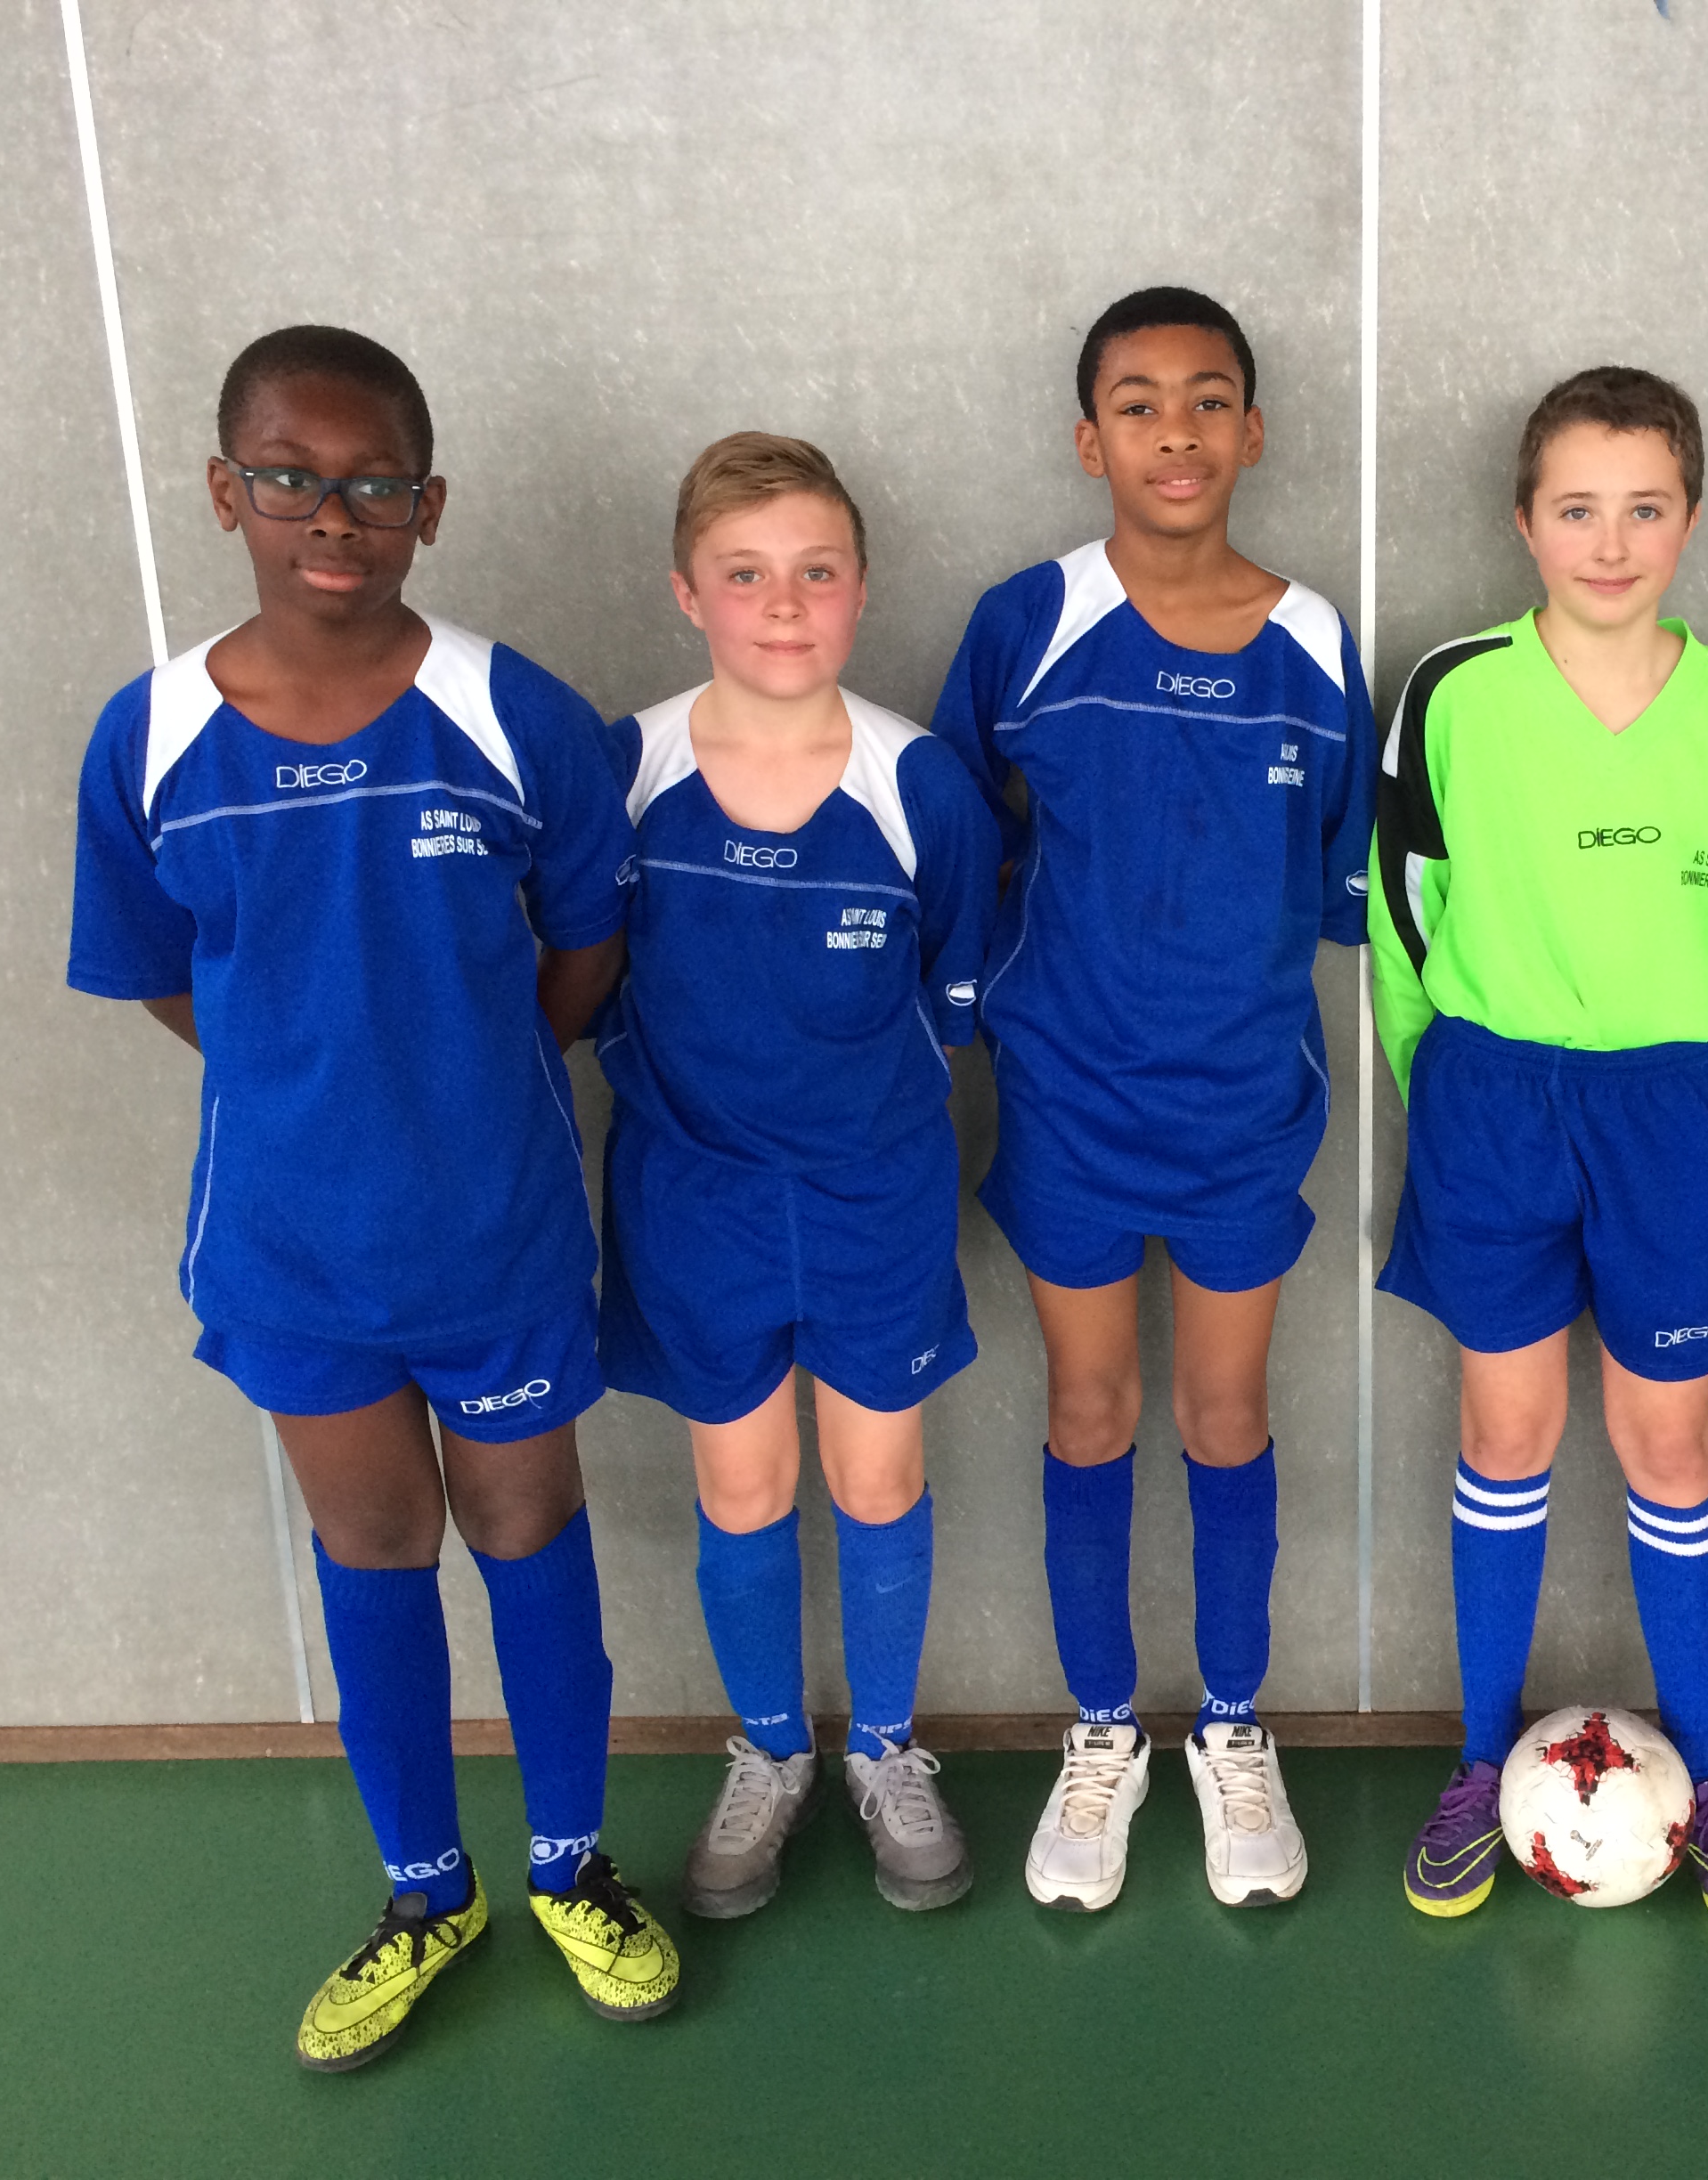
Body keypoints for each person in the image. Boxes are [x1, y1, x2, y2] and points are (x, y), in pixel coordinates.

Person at [67, 326, 673, 2071]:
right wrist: (312, 1072)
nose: (331, 514)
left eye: (373, 484)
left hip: (495, 1235)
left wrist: (450, 1072)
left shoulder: (512, 711)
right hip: (292, 1251)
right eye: (289, 477)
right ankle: (426, 1893)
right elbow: (170, 980)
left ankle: (569, 1866)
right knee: (376, 1548)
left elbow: (583, 953)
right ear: (224, 491)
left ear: (429, 504)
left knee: (526, 1531)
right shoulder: (152, 736)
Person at [931, 288, 1374, 1911]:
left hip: (1244, 1103)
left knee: (1227, 1417)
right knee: (1090, 1411)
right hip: (1069, 1100)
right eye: (1138, 403)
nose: (1174, 432)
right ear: (1089, 438)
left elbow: (1337, 872)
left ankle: (1235, 1730)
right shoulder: (1026, 622)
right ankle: (1104, 1730)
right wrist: (997, 1004)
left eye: (1206, 401)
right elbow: (958, 831)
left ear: (1253, 431)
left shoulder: (1316, 640)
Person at [1370, 366, 1708, 1937]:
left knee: (1669, 1445)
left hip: (1667, 1112)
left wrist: (1704, 1088)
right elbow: (1403, 913)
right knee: (1508, 1435)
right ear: (1523, 521)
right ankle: (1481, 1765)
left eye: (1644, 508)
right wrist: (1449, 1081)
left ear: (1690, 519)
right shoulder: (1455, 692)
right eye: (1576, 508)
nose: (1609, 542)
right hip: (1492, 1101)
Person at [595, 433, 997, 1919]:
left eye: (816, 572)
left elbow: (953, 990)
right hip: (692, 1200)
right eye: (746, 574)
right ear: (686, 592)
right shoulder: (624, 771)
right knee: (742, 1481)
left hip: (871, 1196)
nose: (783, 604)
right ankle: (771, 1751)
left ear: (861, 589)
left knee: (875, 1472)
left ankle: (883, 1747)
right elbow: (577, 965)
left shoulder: (919, 784)